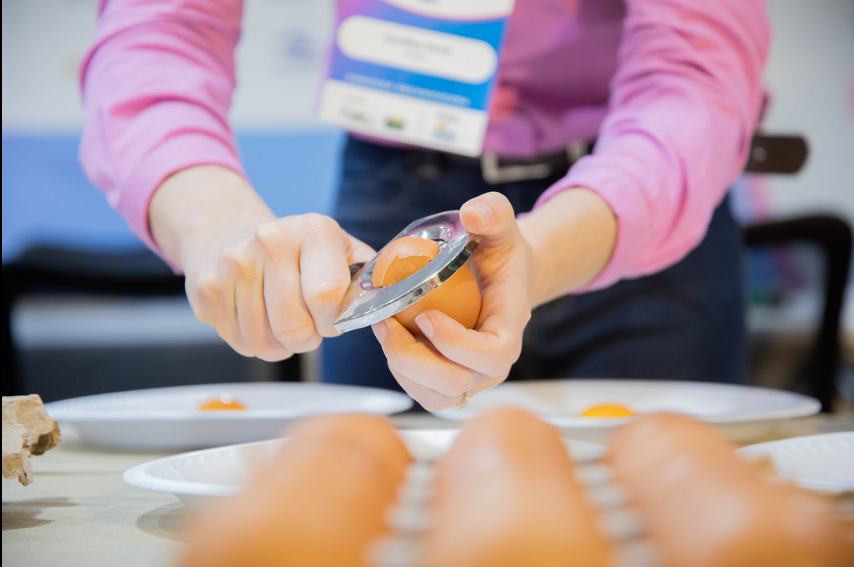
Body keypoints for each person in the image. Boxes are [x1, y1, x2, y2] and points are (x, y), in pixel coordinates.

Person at [79, 1, 770, 411]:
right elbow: (155, 35)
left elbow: (694, 75)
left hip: (634, 203)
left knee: (666, 501)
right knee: (375, 495)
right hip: (395, 182)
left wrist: (543, 252)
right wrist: (212, 222)